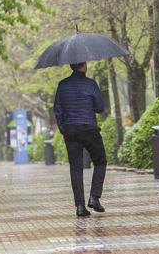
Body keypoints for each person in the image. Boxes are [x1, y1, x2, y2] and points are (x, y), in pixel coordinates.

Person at [53, 61, 107, 217]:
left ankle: (80, 207)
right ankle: (94, 197)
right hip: (89, 128)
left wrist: (64, 129)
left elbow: (57, 109)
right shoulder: (90, 84)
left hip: (71, 131)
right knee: (100, 161)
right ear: (83, 66)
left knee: (76, 168)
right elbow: (100, 107)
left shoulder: (62, 85)